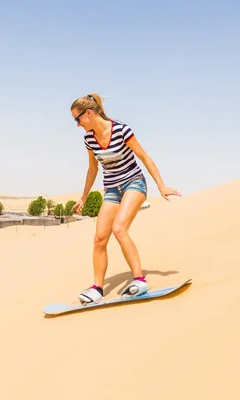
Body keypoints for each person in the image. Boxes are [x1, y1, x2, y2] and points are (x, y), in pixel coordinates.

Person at [70, 93, 181, 305]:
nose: (77, 124)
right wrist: (83, 197)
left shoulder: (121, 130)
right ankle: (97, 289)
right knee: (99, 238)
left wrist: (161, 185)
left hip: (134, 183)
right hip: (112, 189)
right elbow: (93, 169)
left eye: (78, 119)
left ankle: (139, 280)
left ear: (89, 113)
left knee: (119, 229)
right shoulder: (89, 139)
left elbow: (144, 157)